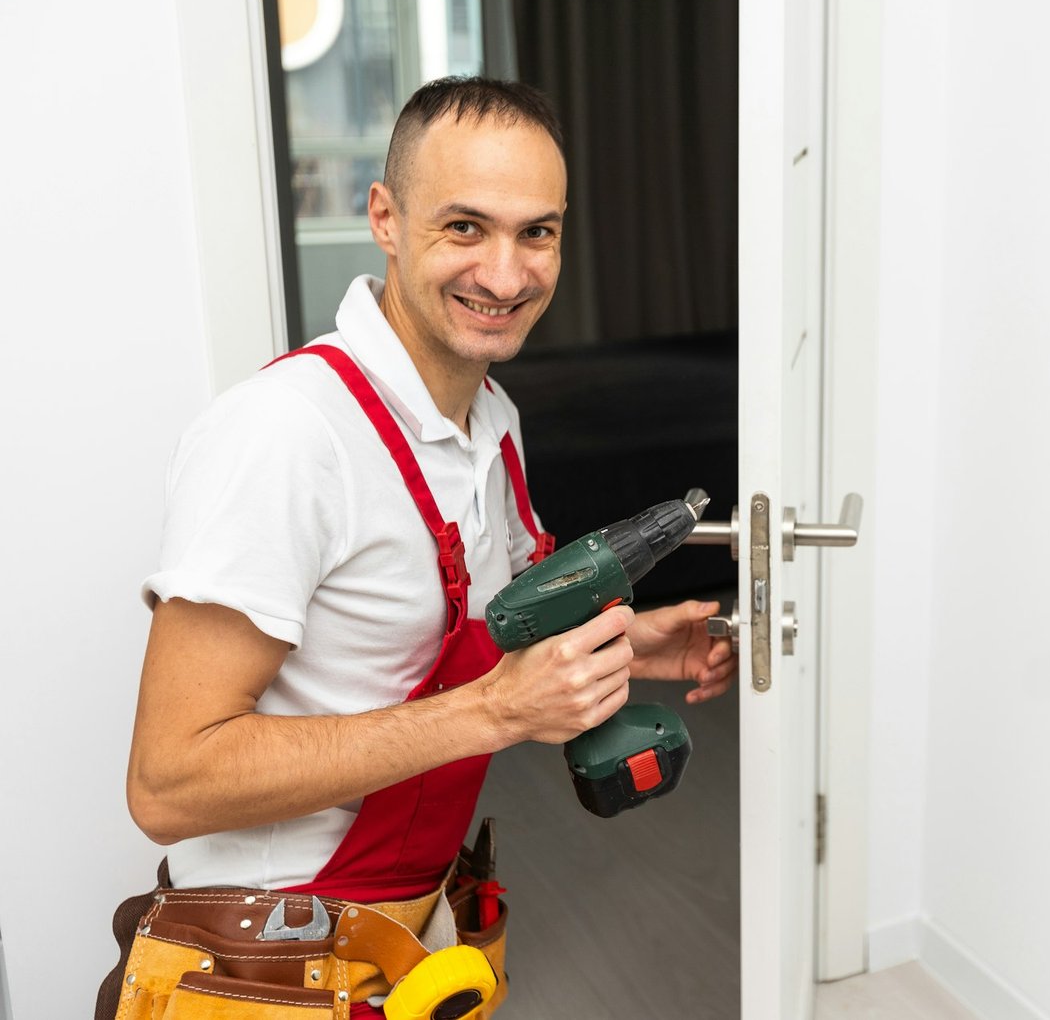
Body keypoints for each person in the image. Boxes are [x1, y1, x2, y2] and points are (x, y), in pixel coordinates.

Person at [101, 77, 734, 1019]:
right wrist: (496, 712)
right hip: (263, 971)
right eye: (465, 227)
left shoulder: (494, 419)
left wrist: (615, 649)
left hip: (410, 938)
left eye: (538, 232)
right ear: (386, 218)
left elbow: (455, 637)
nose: (508, 276)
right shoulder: (284, 436)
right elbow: (168, 781)